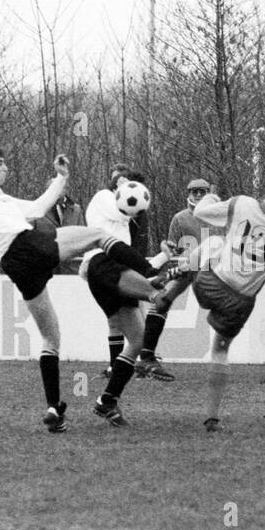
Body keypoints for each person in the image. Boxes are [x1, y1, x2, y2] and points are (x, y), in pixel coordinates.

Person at [0, 144, 161, 433]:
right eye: (0, 163)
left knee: (51, 338)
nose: (6, 168)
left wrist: (61, 178)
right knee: (97, 234)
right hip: (26, 246)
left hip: (17, 265)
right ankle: (151, 273)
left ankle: (54, 409)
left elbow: (36, 208)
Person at [152, 168, 265, 432]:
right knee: (220, 351)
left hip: (211, 285)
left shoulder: (242, 203)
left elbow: (200, 213)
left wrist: (211, 195)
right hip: (240, 302)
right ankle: (212, 417)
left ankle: (172, 281)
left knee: (216, 242)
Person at [82, 176, 184, 426]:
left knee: (137, 340)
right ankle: (148, 358)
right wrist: (151, 274)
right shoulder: (103, 198)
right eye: (123, 182)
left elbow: (130, 259)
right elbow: (118, 251)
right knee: (157, 296)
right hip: (102, 265)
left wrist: (163, 256)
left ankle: (107, 401)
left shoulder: (125, 223)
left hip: (112, 272)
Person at [134, 177, 215, 378]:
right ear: (188, 194)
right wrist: (174, 264)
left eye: (202, 191)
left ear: (208, 193)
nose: (197, 195)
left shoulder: (218, 216)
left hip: (211, 270)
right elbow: (173, 248)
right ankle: (146, 358)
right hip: (187, 269)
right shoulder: (180, 218)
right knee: (161, 302)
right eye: (194, 191)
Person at [44, 178, 85, 274]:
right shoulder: (39, 210)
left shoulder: (76, 210)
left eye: (57, 188)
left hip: (70, 267)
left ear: (66, 189)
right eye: (50, 189)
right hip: (46, 268)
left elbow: (82, 237)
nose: (53, 191)